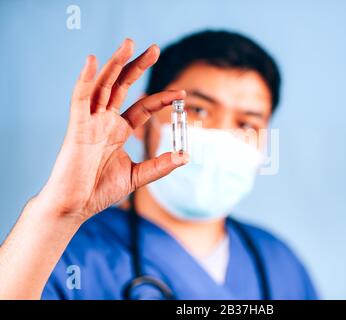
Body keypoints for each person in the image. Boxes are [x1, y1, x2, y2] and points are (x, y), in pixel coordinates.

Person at [1, 30, 317, 300]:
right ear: (145, 116)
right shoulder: (64, 255)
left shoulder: (278, 263)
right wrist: (58, 213)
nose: (222, 135)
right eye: (198, 110)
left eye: (247, 124)